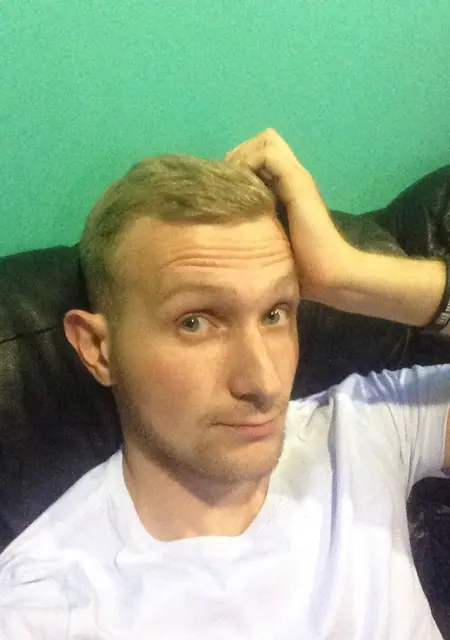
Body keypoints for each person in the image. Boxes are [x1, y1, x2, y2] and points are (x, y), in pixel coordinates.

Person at [0, 128, 449, 639]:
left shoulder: (362, 431)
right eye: (195, 322)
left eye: (276, 313)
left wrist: (348, 274)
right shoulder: (44, 606)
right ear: (98, 348)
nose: (265, 382)